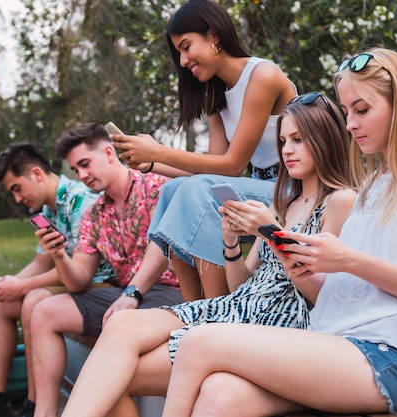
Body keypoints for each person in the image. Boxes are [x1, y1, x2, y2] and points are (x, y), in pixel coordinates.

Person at [157, 47, 397, 417]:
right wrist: (295, 254)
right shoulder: (373, 184)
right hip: (332, 340)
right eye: (346, 112)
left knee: (200, 343)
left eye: (362, 110)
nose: (350, 124)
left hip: (386, 357)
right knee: (218, 393)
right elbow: (335, 288)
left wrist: (350, 261)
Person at [59, 92, 356, 417]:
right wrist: (230, 243)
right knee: (122, 326)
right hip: (238, 307)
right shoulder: (283, 202)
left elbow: (324, 296)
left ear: (324, 138)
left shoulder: (341, 201)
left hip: (279, 326)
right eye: (283, 140)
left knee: (117, 377)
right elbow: (244, 285)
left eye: (298, 139)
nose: (287, 150)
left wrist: (272, 233)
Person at [111, 0, 297, 300]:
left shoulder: (263, 75)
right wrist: (148, 164)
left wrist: (157, 152)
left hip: (292, 189)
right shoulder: (217, 97)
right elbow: (211, 166)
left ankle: (217, 307)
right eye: (178, 53)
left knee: (197, 191)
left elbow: (233, 165)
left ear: (213, 36)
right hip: (263, 187)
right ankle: (192, 306)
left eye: (186, 47)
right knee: (175, 191)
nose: (183, 61)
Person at [0, 143, 113, 417]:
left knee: (33, 300)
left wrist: (21, 286)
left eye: (16, 189)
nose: (18, 199)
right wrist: (9, 283)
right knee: (2, 303)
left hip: (100, 283)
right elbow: (41, 263)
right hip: (74, 283)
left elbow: (81, 271)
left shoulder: (82, 201)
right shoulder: (47, 211)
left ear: (36, 174)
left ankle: (34, 407)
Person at [28, 123, 184, 417]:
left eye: (85, 164)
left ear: (109, 152)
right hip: (126, 299)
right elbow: (78, 281)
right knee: (43, 311)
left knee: (110, 349)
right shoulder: (94, 214)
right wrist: (59, 255)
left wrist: (130, 295)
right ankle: (44, 412)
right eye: (76, 170)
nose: (83, 175)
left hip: (172, 294)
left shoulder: (155, 185)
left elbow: (204, 180)